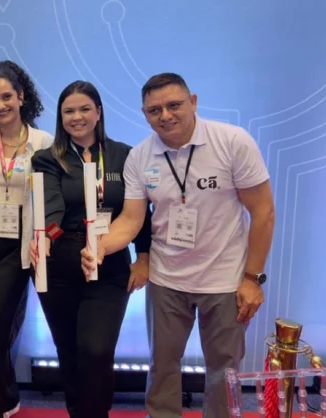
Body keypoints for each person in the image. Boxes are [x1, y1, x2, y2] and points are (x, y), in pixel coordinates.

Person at [95, 73, 274, 418]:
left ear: (193, 102)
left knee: (224, 372)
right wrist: (100, 246)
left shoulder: (232, 141)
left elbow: (263, 211)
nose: (165, 115)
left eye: (174, 105)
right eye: (154, 110)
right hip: (167, 280)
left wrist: (253, 278)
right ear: (145, 114)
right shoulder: (140, 156)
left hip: (225, 280)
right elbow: (131, 219)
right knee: (162, 366)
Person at [29, 80, 152, 418]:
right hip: (60, 263)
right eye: (69, 111)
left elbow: (139, 212)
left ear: (98, 112)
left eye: (85, 109)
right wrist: (45, 236)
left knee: (96, 350)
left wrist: (144, 256)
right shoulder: (47, 158)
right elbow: (51, 206)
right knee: (68, 351)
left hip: (110, 262)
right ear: (61, 117)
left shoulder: (125, 156)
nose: (77, 117)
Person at [0, 60, 52, 418]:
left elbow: (50, 198)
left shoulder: (43, 143)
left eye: (6, 97)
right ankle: (6, 396)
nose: (0, 105)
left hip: (20, 239)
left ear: (21, 97)